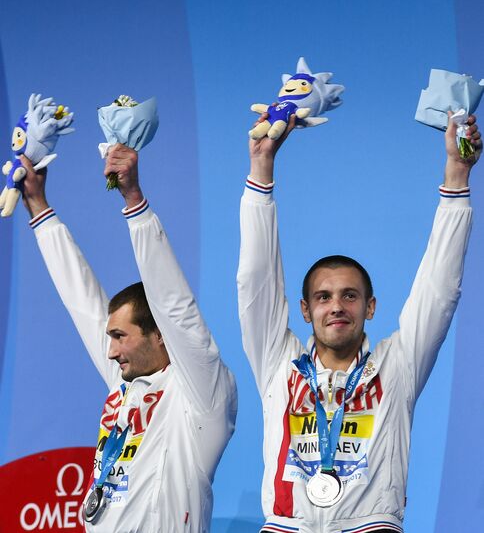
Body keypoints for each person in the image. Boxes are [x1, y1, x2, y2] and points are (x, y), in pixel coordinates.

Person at [237, 113, 481, 532]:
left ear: (370, 307)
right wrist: (261, 170)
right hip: (286, 525)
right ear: (304, 310)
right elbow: (254, 282)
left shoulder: (399, 364)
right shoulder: (279, 362)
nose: (336, 306)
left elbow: (439, 290)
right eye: (323, 297)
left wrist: (457, 176)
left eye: (350, 296)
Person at [20, 144, 237, 532]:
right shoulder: (124, 386)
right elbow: (81, 299)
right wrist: (39, 209)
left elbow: (176, 308)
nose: (111, 351)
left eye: (121, 336)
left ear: (161, 337)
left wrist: (134, 202)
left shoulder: (199, 398)